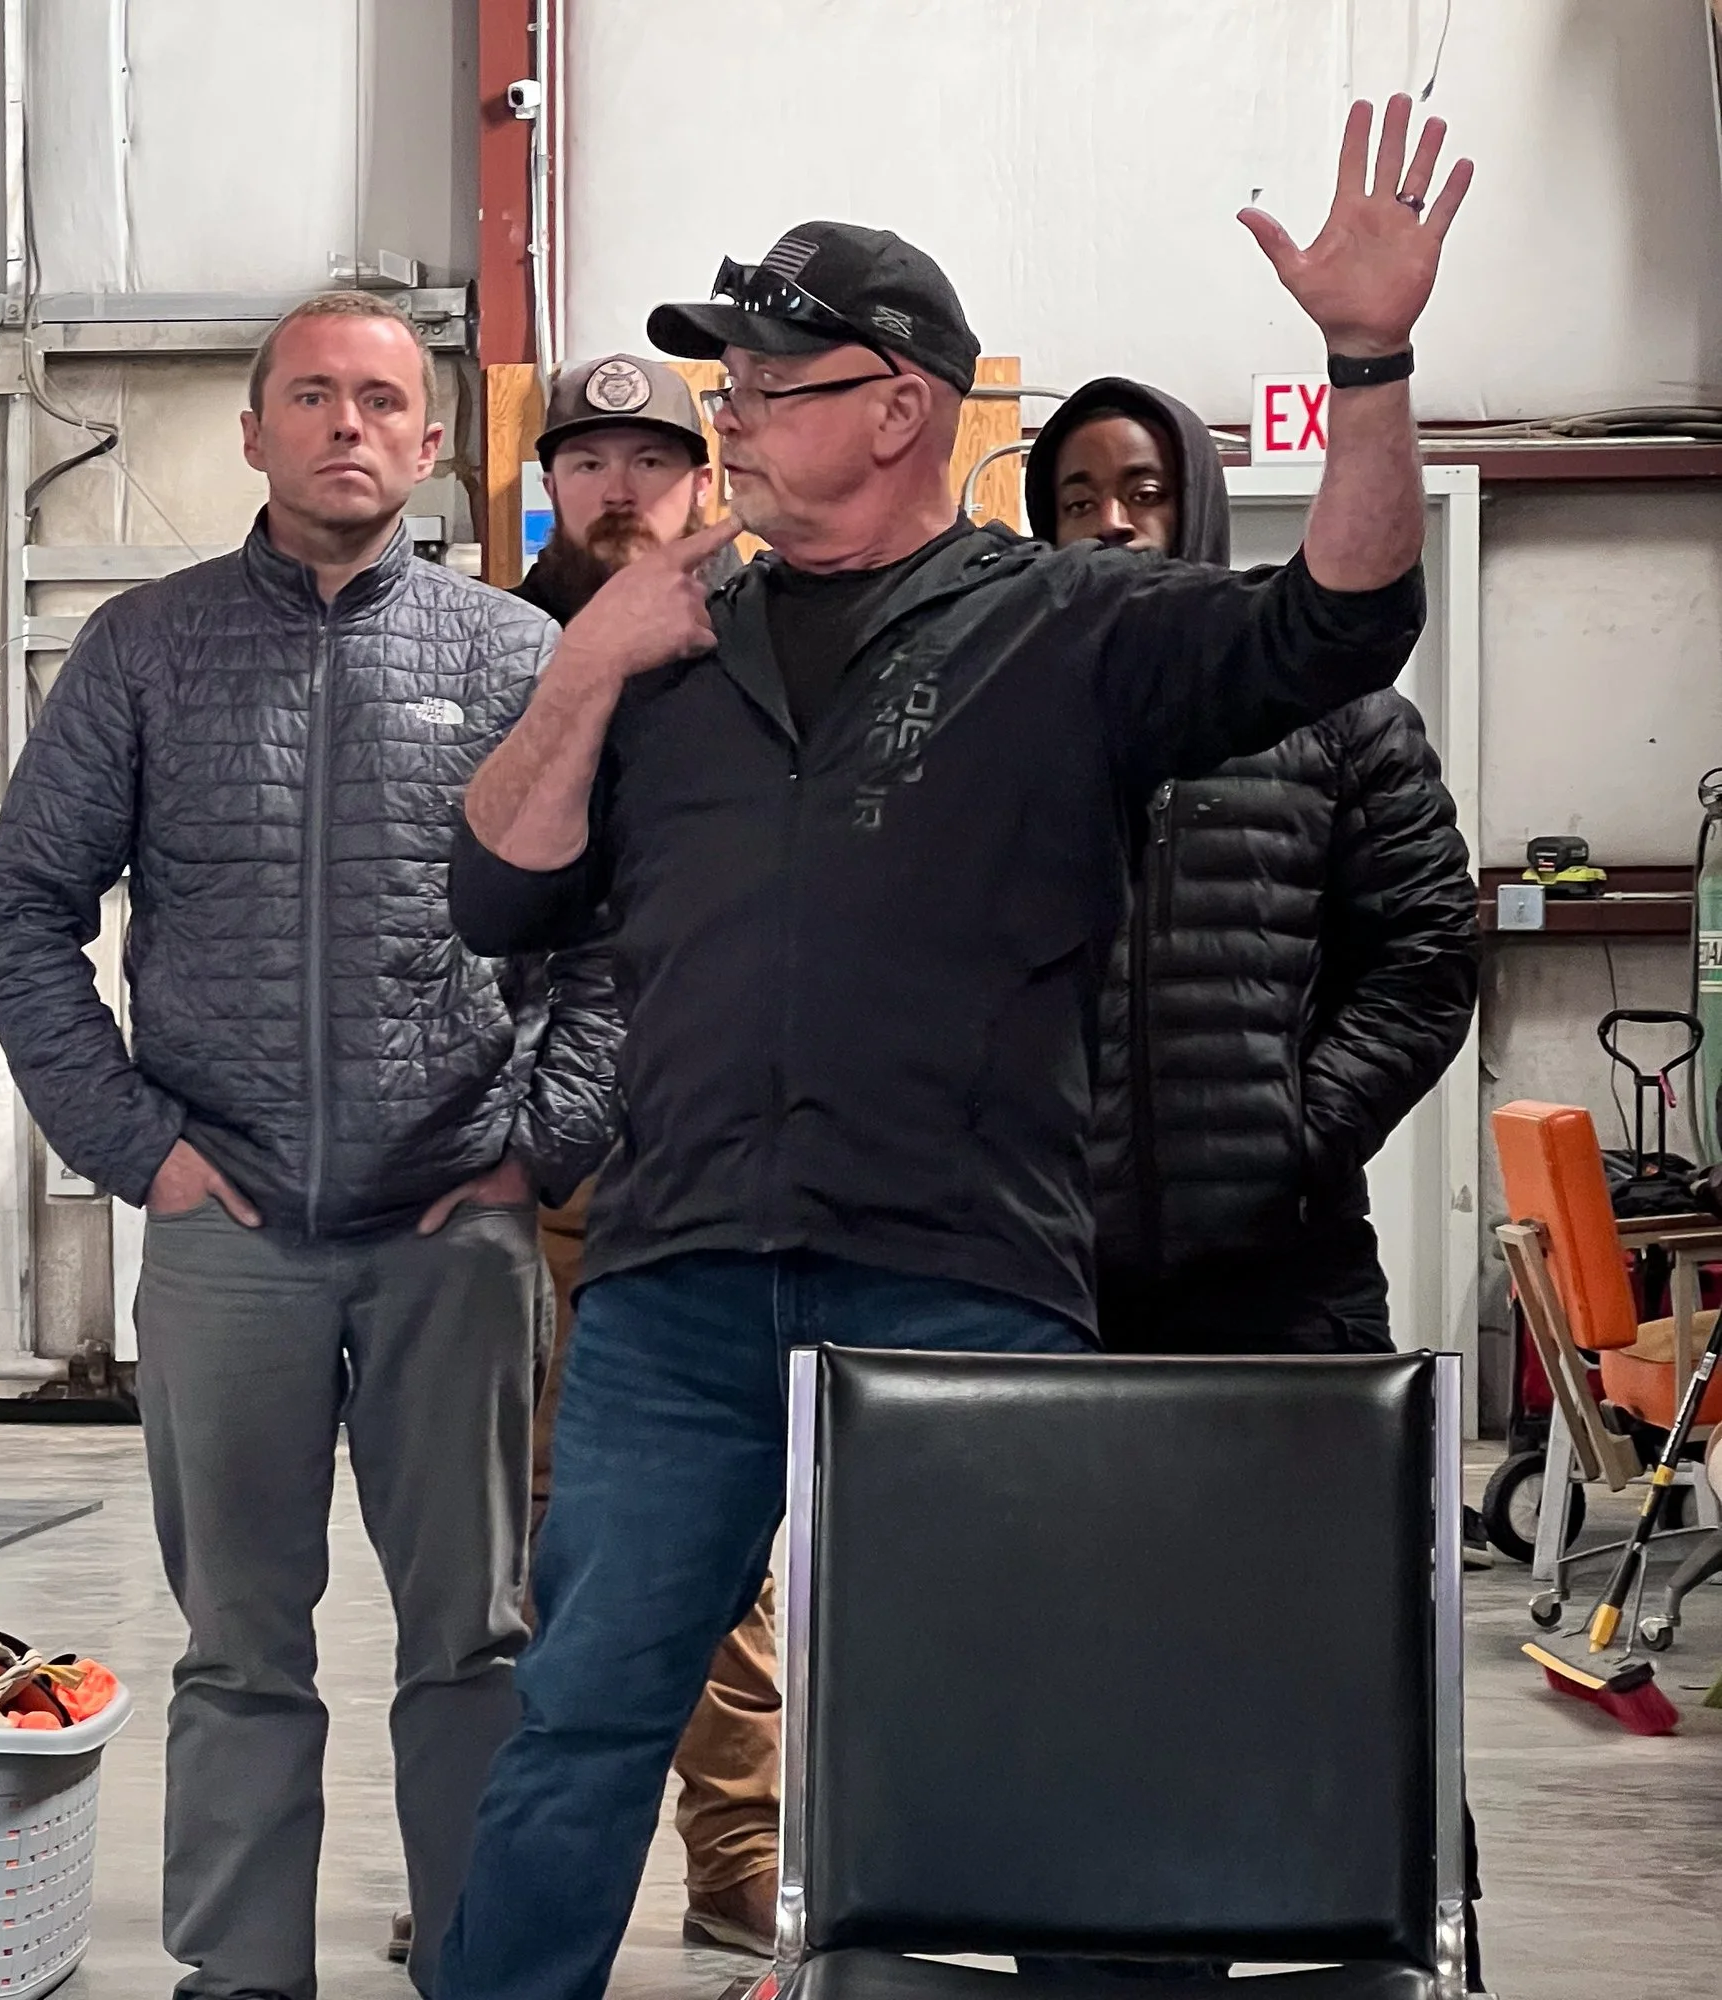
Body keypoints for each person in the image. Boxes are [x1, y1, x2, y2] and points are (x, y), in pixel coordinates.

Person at [436, 97, 1472, 2000]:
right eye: (729, 382)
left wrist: (1368, 365)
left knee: (1031, 1735)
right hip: (675, 1282)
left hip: (954, 1280)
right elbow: (497, 893)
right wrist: (581, 661)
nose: (734, 414)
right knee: (579, 1720)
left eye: (774, 381)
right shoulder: (668, 647)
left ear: (901, 405)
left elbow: (1341, 624)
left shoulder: (1064, 626)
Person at [0, 289, 617, 2000]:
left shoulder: (512, 660)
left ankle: (482, 1964)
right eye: (314, 396)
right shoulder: (147, 650)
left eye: (382, 401)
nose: (349, 425)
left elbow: (609, 942)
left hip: (452, 1237)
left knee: (472, 1645)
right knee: (242, 1652)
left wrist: (537, 1145)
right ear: (253, 433)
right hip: (228, 1235)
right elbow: (27, 907)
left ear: (431, 444)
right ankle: (241, 1975)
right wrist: (139, 1148)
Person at [1024, 377, 1477, 1360]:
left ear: (1197, 505)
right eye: (1077, 499)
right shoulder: (1001, 725)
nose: (1111, 521)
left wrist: (1301, 1138)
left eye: (1144, 491)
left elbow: (1427, 952)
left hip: (1287, 1275)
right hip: (1049, 1276)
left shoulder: (1341, 714)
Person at [516, 354, 782, 1958]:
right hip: (527, 1162)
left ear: (704, 479)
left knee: (716, 1524)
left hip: (710, 1152)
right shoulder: (495, 648)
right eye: (588, 458)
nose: (620, 487)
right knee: (533, 1526)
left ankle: (739, 1847)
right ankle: (512, 1859)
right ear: (548, 482)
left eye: (650, 458)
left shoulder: (757, 644)